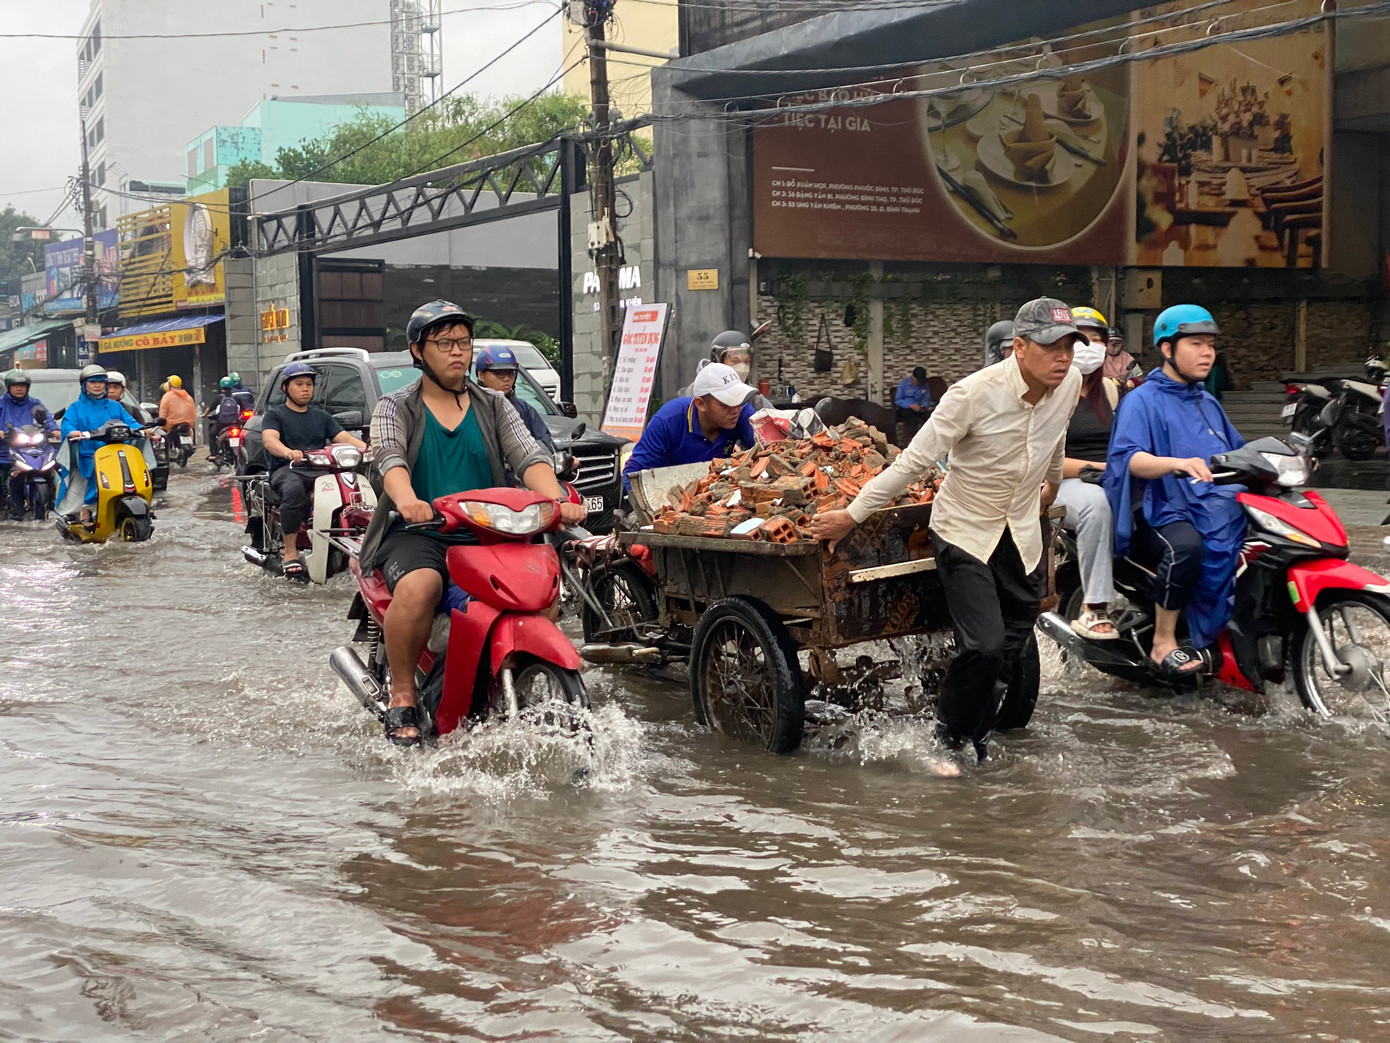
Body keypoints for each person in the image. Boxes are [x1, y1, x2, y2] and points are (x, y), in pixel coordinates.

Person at [811, 298, 1084, 764]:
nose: (1063, 357)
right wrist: (853, 515)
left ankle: (977, 734)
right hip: (966, 530)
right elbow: (914, 462)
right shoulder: (971, 394)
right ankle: (947, 738)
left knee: (1015, 641)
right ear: (1018, 348)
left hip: (1021, 529)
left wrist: (1053, 482)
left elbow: (1056, 432)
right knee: (985, 644)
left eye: (1070, 346)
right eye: (1051, 346)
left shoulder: (1070, 382)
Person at [356, 300, 586, 746]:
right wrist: (407, 501)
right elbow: (389, 458)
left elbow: (529, 456)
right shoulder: (395, 406)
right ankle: (403, 693)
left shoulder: (495, 405)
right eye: (444, 344)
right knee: (422, 585)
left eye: (463, 342)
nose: (457, 352)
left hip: (489, 533)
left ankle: (505, 677)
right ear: (418, 352)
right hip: (419, 533)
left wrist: (557, 499)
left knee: (539, 594)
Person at [1103, 304, 1245, 680]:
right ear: (1167, 350)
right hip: (1160, 504)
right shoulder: (1141, 400)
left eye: (1211, 345)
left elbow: (1235, 451)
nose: (1207, 353)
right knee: (1186, 547)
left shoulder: (1206, 399)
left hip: (1207, 499)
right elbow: (1130, 459)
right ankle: (1163, 641)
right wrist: (1176, 463)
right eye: (1196, 343)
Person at [260, 362, 368, 580]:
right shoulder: (275, 415)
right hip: (288, 469)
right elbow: (270, 440)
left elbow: (344, 438)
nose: (305, 389)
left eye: (309, 384)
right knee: (293, 491)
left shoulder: (322, 416)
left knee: (350, 490)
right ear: (285, 388)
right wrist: (288, 452)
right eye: (299, 384)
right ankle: (291, 551)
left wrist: (369, 449)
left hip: (320, 470)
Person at [1056, 309, 1120, 640]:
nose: (1089, 347)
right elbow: (1043, 461)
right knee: (1097, 504)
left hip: (1112, 480)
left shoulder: (1109, 391)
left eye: (1096, 340)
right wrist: (1099, 469)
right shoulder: (1051, 392)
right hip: (1066, 484)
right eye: (1080, 339)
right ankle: (1095, 608)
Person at [622, 362, 757, 490]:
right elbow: (632, 473)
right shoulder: (668, 421)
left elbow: (768, 450)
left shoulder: (742, 412)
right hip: (667, 493)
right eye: (725, 404)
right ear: (701, 404)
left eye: (739, 400)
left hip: (715, 492)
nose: (735, 410)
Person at [58, 364, 144, 528]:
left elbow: (131, 422)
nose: (97, 386)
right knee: (97, 473)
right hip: (89, 454)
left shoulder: (115, 406)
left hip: (117, 452)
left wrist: (143, 431)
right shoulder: (75, 408)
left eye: (101, 382)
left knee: (137, 470)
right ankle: (87, 509)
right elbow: (67, 425)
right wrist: (73, 432)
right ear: (84, 385)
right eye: (92, 382)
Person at [473, 344, 555, 453]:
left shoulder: (524, 409)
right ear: (480, 375)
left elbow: (545, 443)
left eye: (511, 373)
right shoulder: (470, 408)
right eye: (499, 373)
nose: (506, 379)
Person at [1, 369, 59, 520]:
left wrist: (54, 430)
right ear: (9, 387)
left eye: (22, 385)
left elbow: (47, 420)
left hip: (32, 448)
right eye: (15, 385)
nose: (19, 388)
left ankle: (55, 503)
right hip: (5, 451)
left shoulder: (35, 404)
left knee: (56, 468)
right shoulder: (1, 404)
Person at [680, 330, 774, 410]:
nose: (742, 368)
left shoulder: (752, 397)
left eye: (746, 361)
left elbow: (775, 419)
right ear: (717, 361)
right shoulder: (698, 391)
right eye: (735, 361)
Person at [206, 377, 242, 459]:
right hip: (235, 424)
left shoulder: (218, 398)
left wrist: (204, 415)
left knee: (212, 434)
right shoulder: (237, 399)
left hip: (221, 424)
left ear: (221, 386)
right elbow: (242, 410)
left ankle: (214, 454)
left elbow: (210, 409)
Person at [895, 366, 933, 439]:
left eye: (921, 381)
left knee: (930, 418)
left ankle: (929, 439)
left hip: (919, 408)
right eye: (918, 380)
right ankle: (914, 440)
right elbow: (898, 400)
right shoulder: (904, 384)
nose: (919, 383)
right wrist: (910, 405)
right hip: (905, 408)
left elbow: (927, 399)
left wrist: (923, 406)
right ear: (913, 377)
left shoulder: (925, 385)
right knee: (912, 419)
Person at [158, 375, 198, 442]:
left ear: (169, 385)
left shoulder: (167, 396)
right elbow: (194, 414)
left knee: (162, 436)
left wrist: (161, 425)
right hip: (188, 425)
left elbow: (162, 415)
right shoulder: (188, 396)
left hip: (172, 426)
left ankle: (167, 449)